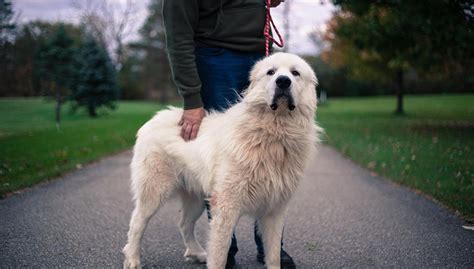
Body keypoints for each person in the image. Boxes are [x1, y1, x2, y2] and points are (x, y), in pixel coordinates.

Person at [162, 0, 295, 268]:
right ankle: (224, 250)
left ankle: (270, 248)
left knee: (273, 159)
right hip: (216, 58)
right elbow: (178, 35)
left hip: (260, 54)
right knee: (225, 161)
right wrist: (192, 99)